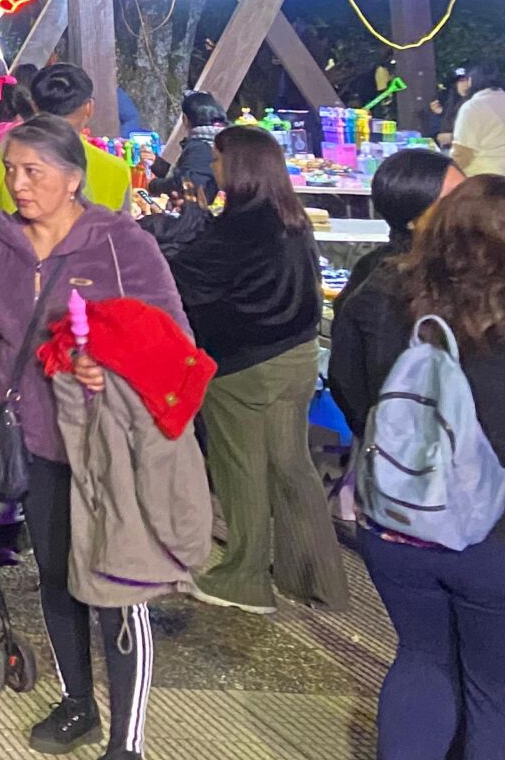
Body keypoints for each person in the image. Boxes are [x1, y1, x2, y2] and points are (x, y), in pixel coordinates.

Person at [0, 117, 184, 760]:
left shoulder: (121, 243)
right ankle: (77, 704)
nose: (18, 183)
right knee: (56, 576)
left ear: (73, 180)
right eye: (10, 170)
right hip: (33, 437)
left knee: (118, 587)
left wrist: (110, 362)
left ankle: (128, 740)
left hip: (106, 442)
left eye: (34, 171)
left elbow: (173, 337)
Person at [345, 172, 505, 760]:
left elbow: (348, 381)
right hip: (490, 538)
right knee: (494, 690)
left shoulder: (382, 290)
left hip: (395, 520)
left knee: (420, 658)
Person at [164, 125, 347, 614]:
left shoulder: (239, 226)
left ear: (238, 167)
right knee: (291, 465)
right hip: (298, 357)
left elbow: (186, 281)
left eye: (220, 160)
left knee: (241, 467)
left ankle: (244, 578)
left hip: (246, 365)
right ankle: (316, 577)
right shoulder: (292, 218)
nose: (215, 168)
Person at [327, 147, 462, 430]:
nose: (468, 208)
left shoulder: (467, 263)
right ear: (411, 220)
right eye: (451, 202)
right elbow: (353, 379)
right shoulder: (386, 287)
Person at [0, 63, 135, 236]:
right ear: (89, 108)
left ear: (35, 107)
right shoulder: (117, 170)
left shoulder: (2, 158)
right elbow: (125, 241)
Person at [451, 59, 505, 177]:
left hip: (483, 179)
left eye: (466, 79)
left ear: (472, 80)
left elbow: (462, 154)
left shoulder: (473, 107)